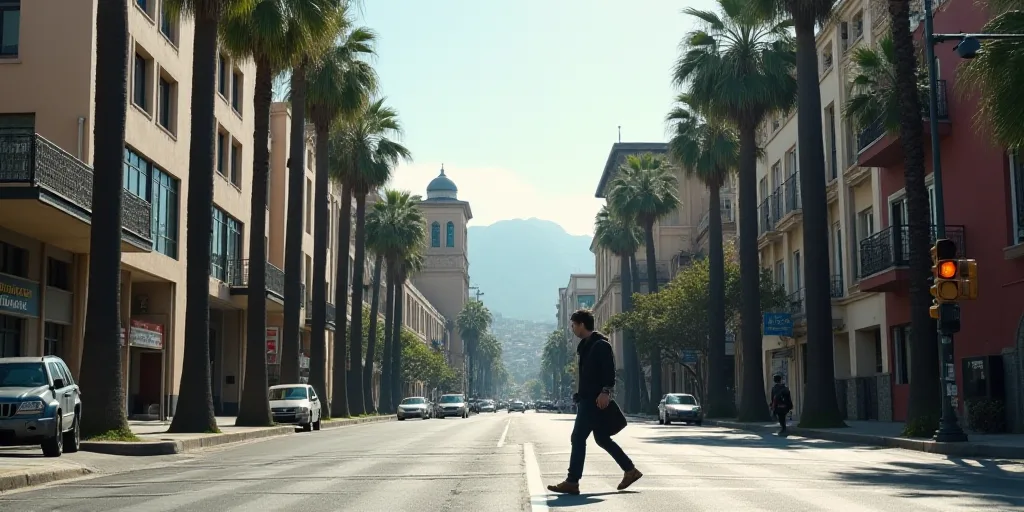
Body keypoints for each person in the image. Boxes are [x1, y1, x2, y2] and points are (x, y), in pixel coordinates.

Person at [547, 309, 642, 495]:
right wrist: (579, 395)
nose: (572, 328)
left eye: (573, 325)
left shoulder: (600, 345)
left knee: (578, 438)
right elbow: (588, 377)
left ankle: (572, 481)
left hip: (594, 401)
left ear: (582, 324)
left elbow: (609, 370)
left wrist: (606, 391)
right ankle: (630, 470)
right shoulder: (586, 346)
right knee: (602, 438)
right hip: (588, 400)